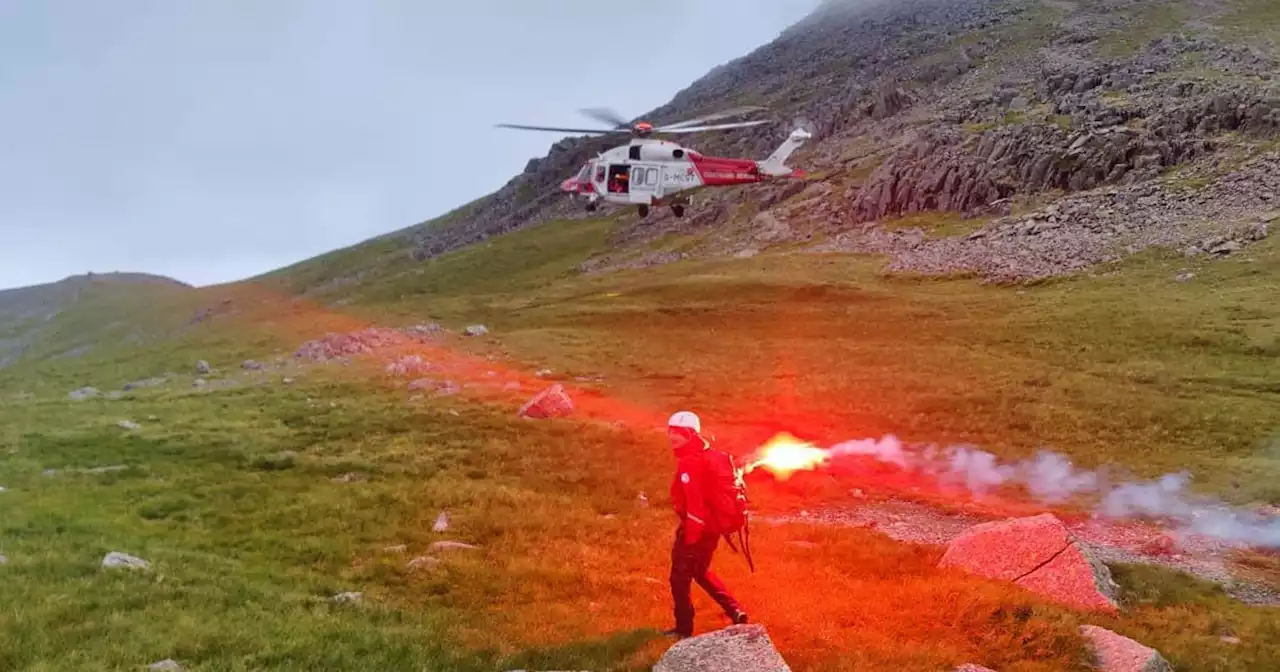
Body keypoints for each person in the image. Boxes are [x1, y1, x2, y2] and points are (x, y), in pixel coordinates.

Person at [663, 410, 749, 640]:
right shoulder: (708, 454)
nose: (672, 436)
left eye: (678, 432)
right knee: (700, 572)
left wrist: (689, 539)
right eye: (670, 431)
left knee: (679, 578)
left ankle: (683, 629)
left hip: (697, 530)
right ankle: (735, 610)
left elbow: (694, 507)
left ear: (690, 434)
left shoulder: (689, 463)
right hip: (713, 528)